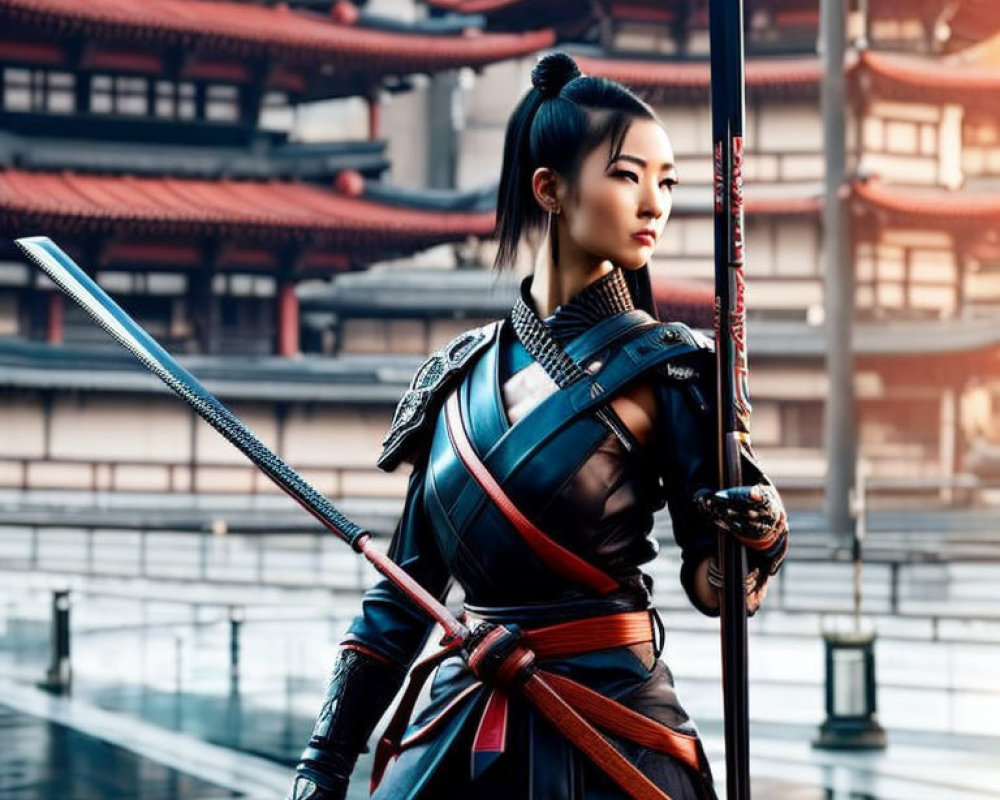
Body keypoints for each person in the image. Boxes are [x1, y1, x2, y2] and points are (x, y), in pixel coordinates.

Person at [286, 51, 788, 800]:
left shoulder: (676, 370)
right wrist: (323, 764)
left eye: (668, 181)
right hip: (465, 707)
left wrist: (759, 535)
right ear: (550, 189)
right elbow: (401, 597)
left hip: (611, 719)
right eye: (627, 175)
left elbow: (714, 586)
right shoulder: (455, 378)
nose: (655, 204)